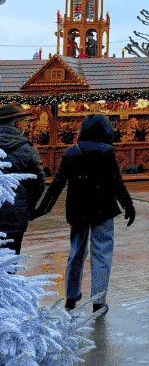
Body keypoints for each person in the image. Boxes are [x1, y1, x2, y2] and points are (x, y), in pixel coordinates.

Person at [34, 115, 135, 313]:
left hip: (77, 209)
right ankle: (98, 301)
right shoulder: (107, 152)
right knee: (102, 254)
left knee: (76, 252)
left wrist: (43, 208)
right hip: (103, 209)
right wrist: (128, 205)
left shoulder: (71, 152)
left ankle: (71, 298)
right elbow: (116, 182)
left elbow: (57, 184)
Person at [0, 104, 45, 255]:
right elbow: (38, 184)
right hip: (15, 217)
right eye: (24, 122)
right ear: (17, 123)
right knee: (10, 262)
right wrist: (28, 207)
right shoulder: (27, 149)